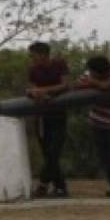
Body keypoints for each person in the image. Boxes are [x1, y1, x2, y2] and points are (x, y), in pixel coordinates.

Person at [73, 55, 110, 199]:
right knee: (105, 158)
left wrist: (93, 83)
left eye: (94, 74)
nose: (90, 74)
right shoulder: (88, 74)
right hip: (97, 122)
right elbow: (77, 86)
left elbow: (108, 86)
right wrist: (98, 85)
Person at [26, 42, 71, 198]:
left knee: (54, 151)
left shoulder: (59, 64)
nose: (31, 59)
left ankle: (43, 185)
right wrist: (35, 93)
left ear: (43, 54)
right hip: (41, 115)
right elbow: (31, 89)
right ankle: (60, 187)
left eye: (33, 55)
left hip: (58, 113)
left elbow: (65, 85)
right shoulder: (33, 70)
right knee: (47, 153)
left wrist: (44, 90)